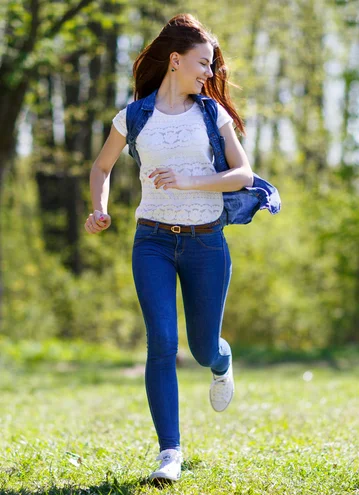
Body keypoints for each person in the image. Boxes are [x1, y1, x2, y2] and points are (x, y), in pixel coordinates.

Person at [85, 13, 254, 484]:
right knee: (161, 343)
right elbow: (101, 168)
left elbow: (243, 175)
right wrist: (99, 208)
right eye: (203, 63)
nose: (210, 73)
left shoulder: (211, 113)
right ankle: (169, 453)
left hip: (206, 245)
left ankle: (222, 362)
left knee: (202, 349)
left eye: (212, 65)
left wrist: (190, 181)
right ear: (175, 61)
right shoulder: (135, 115)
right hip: (153, 242)